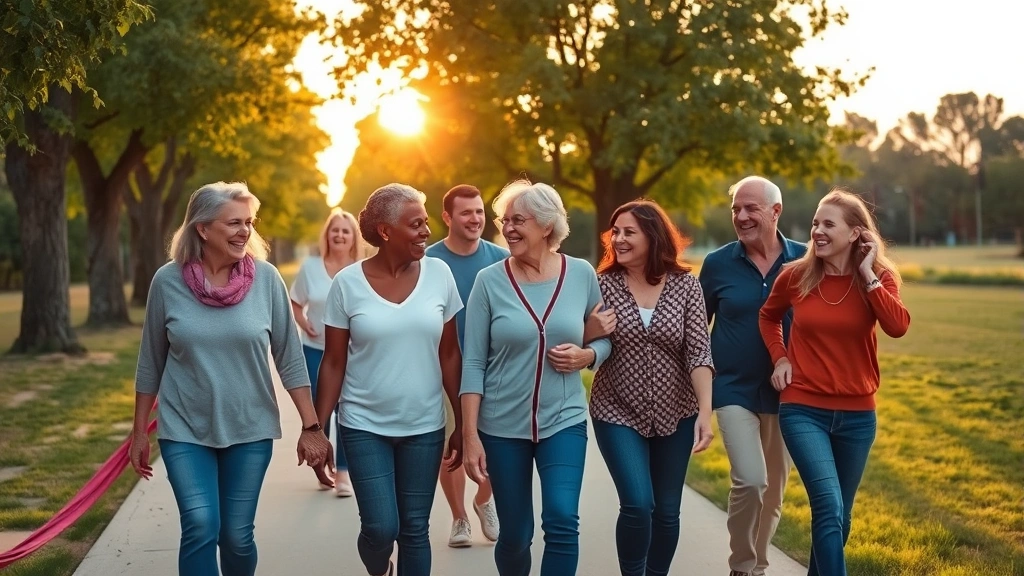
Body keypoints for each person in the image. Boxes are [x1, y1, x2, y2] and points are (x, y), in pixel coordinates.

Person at [129, 182, 332, 576]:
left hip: (249, 427)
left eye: (249, 223)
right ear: (203, 229)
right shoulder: (166, 283)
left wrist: (311, 426)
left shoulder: (267, 281)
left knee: (237, 536)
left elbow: (290, 357)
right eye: (234, 223)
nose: (245, 232)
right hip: (185, 428)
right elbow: (150, 361)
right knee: (201, 525)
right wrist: (139, 430)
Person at [310, 183, 464, 576]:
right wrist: (317, 428)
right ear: (385, 231)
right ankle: (380, 569)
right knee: (380, 529)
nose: (426, 231)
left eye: (426, 223)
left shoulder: (440, 274)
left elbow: (450, 354)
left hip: (425, 426)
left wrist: (464, 423)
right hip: (364, 425)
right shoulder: (347, 283)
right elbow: (333, 362)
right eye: (415, 224)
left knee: (414, 529)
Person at [461, 180, 611, 576]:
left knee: (562, 520)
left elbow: (604, 337)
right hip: (501, 427)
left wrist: (588, 354)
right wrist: (471, 435)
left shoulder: (580, 274)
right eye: (505, 220)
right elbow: (473, 364)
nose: (508, 228)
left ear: (547, 226)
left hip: (563, 421)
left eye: (519, 220)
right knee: (515, 534)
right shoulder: (489, 282)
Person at [759, 188, 910, 576]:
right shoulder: (795, 276)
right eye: (815, 223)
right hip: (803, 408)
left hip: (859, 416)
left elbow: (897, 326)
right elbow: (768, 317)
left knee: (840, 516)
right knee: (828, 504)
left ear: (856, 233)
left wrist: (867, 275)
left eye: (828, 224)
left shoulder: (879, 279)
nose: (817, 231)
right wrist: (780, 358)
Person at [587, 199, 715, 576]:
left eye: (629, 232)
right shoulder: (601, 285)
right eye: (616, 232)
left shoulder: (686, 287)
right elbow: (583, 340)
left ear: (653, 236)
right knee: (638, 503)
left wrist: (704, 413)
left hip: (677, 411)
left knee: (667, 509)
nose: (619, 239)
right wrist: (590, 333)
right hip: (616, 409)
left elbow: (699, 353)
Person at [697, 176, 806, 576]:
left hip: (790, 395)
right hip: (732, 388)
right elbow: (696, 330)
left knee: (774, 491)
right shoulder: (717, 264)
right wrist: (699, 397)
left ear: (775, 212)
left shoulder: (806, 261)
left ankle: (754, 565)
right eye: (735, 210)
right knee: (751, 481)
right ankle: (743, 564)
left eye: (750, 209)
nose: (740, 217)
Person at [425, 184, 506, 547]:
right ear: (447, 217)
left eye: (479, 212)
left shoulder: (501, 258)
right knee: (451, 446)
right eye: (466, 212)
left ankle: (483, 500)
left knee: (497, 443)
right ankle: (459, 518)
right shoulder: (427, 261)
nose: (475, 219)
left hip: (495, 367)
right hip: (443, 367)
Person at [290, 208, 362, 497]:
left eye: (346, 230)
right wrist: (303, 322)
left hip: (352, 354)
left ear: (353, 237)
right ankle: (320, 464)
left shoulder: (362, 267)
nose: (340, 235)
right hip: (315, 350)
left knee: (348, 411)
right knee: (320, 412)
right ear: (327, 235)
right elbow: (296, 302)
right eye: (335, 230)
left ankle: (343, 471)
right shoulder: (311, 267)